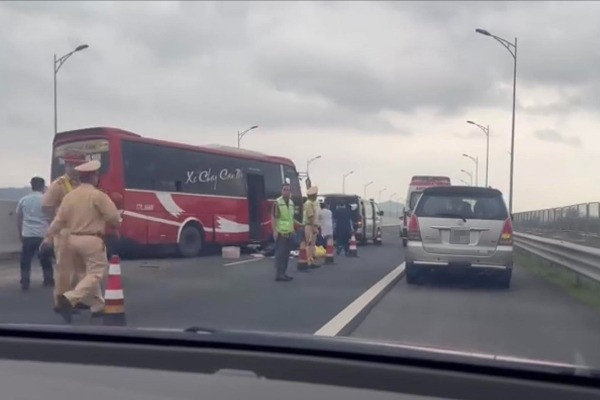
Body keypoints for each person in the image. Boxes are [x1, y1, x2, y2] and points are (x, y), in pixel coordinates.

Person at [40, 160, 122, 323]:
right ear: (94, 177)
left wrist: (48, 237)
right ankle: (70, 298)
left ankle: (98, 305)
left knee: (82, 272)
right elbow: (112, 217)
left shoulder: (70, 196)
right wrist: (117, 225)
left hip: (71, 239)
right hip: (91, 239)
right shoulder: (98, 195)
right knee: (95, 272)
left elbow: (58, 220)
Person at [42, 152, 87, 309]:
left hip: (81, 231)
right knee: (64, 271)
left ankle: (75, 299)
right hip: (65, 232)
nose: (75, 169)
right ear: (67, 166)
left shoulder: (83, 185)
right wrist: (54, 224)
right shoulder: (59, 185)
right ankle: (61, 302)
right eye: (72, 165)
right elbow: (46, 206)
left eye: (78, 166)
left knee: (80, 270)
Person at [16, 177, 54, 291]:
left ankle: (25, 281)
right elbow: (51, 218)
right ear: (43, 186)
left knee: (25, 259)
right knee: (45, 258)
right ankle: (48, 280)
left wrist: (20, 233)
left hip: (28, 234)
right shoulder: (46, 200)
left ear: (31, 185)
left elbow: (19, 218)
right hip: (43, 234)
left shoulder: (23, 200)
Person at [271, 183, 298, 282]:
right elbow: (274, 218)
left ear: (290, 192)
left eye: (288, 190)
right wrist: (275, 230)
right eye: (284, 189)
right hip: (281, 233)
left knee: (286, 254)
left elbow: (291, 218)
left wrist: (294, 229)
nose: (286, 191)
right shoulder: (277, 202)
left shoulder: (291, 203)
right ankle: (279, 274)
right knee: (280, 254)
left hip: (290, 232)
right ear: (281, 191)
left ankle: (284, 273)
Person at [303, 186, 320, 268]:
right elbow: (310, 216)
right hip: (310, 226)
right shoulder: (309, 204)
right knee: (309, 244)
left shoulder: (311, 203)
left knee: (312, 244)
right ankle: (308, 261)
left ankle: (311, 260)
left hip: (312, 225)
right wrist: (313, 227)